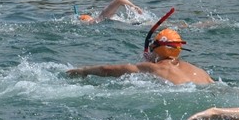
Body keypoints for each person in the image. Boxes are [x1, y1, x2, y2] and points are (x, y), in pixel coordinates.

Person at [66, 27, 213, 85]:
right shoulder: (200, 72)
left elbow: (108, 70)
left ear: (156, 48)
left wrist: (83, 71)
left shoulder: (151, 68)